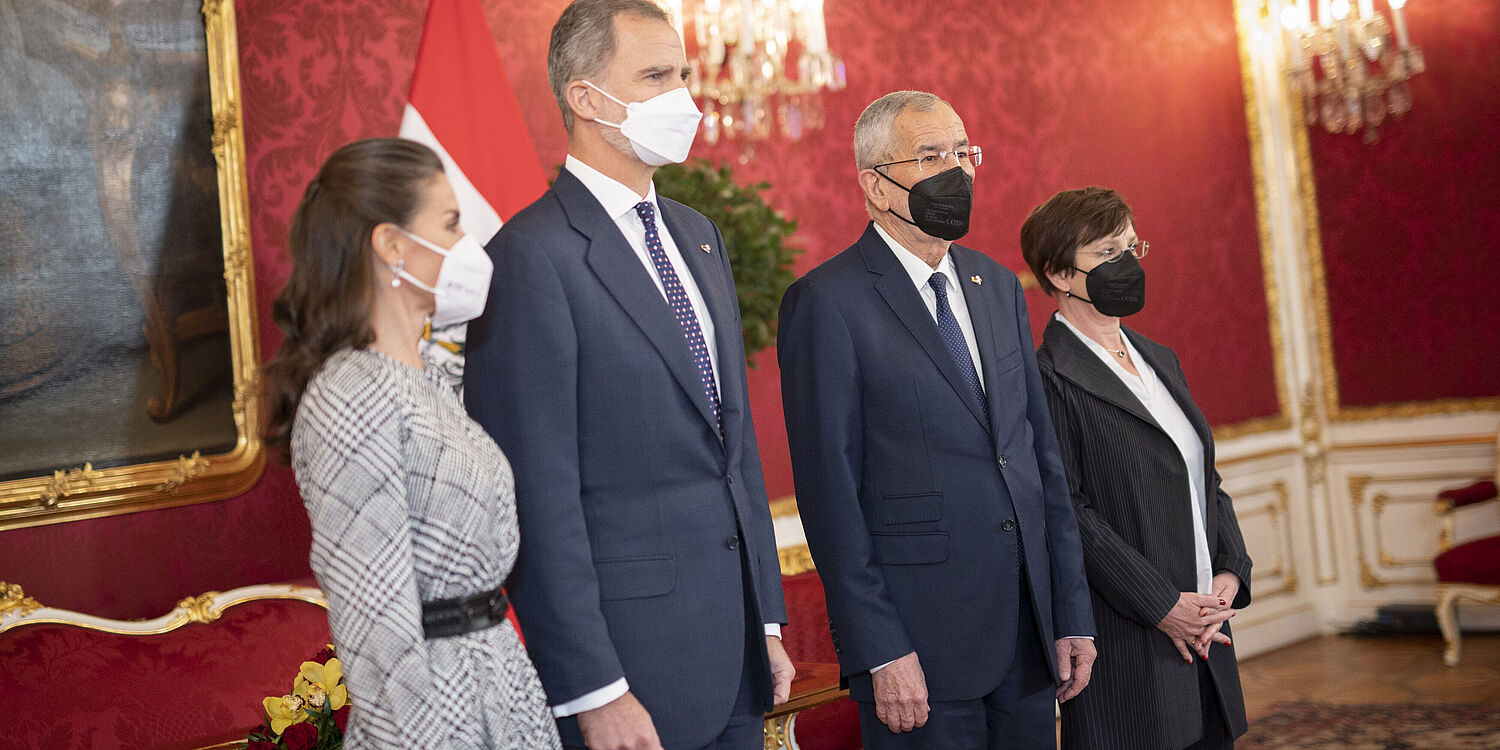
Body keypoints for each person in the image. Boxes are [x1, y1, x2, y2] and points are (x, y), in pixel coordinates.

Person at [462, 2, 793, 749]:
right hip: (626, 672)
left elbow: (730, 449)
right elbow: (537, 495)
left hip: (736, 654)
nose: (683, 96)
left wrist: (765, 619)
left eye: (682, 73)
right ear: (584, 98)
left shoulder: (697, 235)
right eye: (655, 75)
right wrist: (591, 685)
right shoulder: (529, 257)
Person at [776, 90, 1097, 749]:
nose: (957, 171)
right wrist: (880, 649)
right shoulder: (826, 303)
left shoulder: (998, 285)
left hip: (1029, 640)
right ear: (876, 184)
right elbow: (830, 497)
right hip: (919, 654)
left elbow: (1039, 461)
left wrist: (1071, 613)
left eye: (963, 152)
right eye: (931, 156)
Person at [262, 138, 560, 749]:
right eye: (450, 223)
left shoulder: (425, 375)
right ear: (392, 244)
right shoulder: (350, 394)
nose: (465, 244)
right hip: (432, 712)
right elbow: (375, 626)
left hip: (498, 685)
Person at [1021, 186, 1253, 749]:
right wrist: (1164, 605)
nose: (1126, 264)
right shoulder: (1046, 375)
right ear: (1060, 274)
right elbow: (1068, 511)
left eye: (1131, 247)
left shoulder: (1160, 358)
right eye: (1107, 253)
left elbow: (1203, 475)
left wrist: (1228, 573)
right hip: (1130, 638)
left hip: (1206, 625)